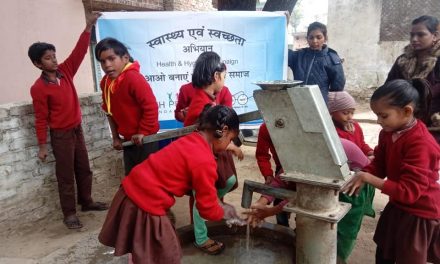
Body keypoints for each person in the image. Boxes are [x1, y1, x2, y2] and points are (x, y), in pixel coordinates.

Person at [98, 105, 242, 264]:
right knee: (168, 254)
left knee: (146, 248)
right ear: (224, 131)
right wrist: (225, 211)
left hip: (131, 190)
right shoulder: (205, 160)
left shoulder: (191, 139)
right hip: (145, 201)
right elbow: (206, 208)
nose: (228, 145)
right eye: (230, 139)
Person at [342, 79, 440, 264]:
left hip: (420, 212)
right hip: (398, 205)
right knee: (384, 252)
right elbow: (379, 164)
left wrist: (368, 177)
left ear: (407, 111)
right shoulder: (388, 132)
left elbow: (408, 192)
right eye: (376, 115)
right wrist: (361, 174)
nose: (378, 121)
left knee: (407, 257)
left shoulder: (421, 144)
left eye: (383, 116)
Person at [28, 12, 108, 230]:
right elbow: (41, 118)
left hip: (76, 130)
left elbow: (79, 52)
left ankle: (87, 201)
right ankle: (69, 213)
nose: (53, 60)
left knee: (84, 168)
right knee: (65, 174)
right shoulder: (39, 88)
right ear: (37, 64)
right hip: (60, 135)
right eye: (47, 58)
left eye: (54, 55)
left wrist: (88, 28)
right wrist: (43, 145)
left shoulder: (65, 71)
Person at [249, 138, 375, 263]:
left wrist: (270, 211)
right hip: (333, 180)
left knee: (343, 232)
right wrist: (261, 202)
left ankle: (337, 259)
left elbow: (306, 197)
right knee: (311, 221)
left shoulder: (315, 156)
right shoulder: (299, 152)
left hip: (356, 183)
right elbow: (281, 179)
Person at [183, 51, 243, 255]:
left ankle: (217, 208)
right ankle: (200, 237)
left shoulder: (208, 98)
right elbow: (203, 135)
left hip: (209, 154)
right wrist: (231, 146)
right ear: (216, 76)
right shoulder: (203, 104)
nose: (224, 81)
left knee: (227, 180)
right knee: (202, 195)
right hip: (199, 157)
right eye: (224, 76)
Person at [95, 38, 159, 176]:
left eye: (111, 59)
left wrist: (143, 131)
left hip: (147, 140)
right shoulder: (105, 83)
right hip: (129, 141)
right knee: (132, 179)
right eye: (102, 61)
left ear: (125, 58)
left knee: (150, 181)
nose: (107, 65)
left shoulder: (133, 78)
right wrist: (116, 137)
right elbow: (109, 111)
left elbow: (151, 107)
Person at [386, 15, 440, 143]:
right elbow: (388, 89)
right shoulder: (402, 61)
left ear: (435, 36)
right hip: (404, 123)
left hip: (433, 128)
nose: (414, 39)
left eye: (421, 35)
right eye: (412, 35)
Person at [288, 21, 345, 102]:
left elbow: (337, 87)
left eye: (319, 37)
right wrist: (284, 24)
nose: (314, 41)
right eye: (311, 37)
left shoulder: (332, 59)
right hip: (298, 101)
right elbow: (280, 52)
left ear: (325, 38)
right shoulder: (298, 56)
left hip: (320, 104)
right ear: (307, 39)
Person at [255, 122, 292, 226]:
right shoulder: (266, 127)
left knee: (304, 212)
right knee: (279, 197)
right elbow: (262, 154)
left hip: (304, 168)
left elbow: (300, 198)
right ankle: (284, 229)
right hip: (283, 166)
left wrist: (270, 211)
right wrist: (268, 175)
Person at [328, 91, 374, 158]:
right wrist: (350, 134)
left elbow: (362, 144)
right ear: (332, 112)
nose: (350, 117)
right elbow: (349, 151)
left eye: (352, 113)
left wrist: (370, 152)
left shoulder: (356, 126)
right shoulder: (332, 132)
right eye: (345, 113)